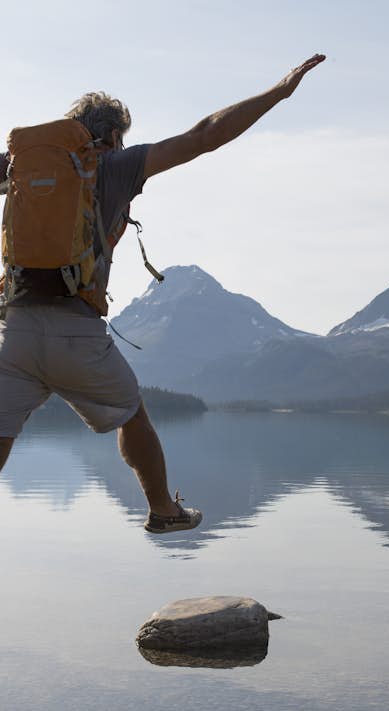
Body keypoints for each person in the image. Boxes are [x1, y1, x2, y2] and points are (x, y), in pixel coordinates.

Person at [0, 53, 326, 532]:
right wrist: (277, 93)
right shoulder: (117, 164)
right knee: (133, 415)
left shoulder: (24, 167)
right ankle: (163, 511)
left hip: (14, 330)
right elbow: (204, 135)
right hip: (75, 330)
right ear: (113, 135)